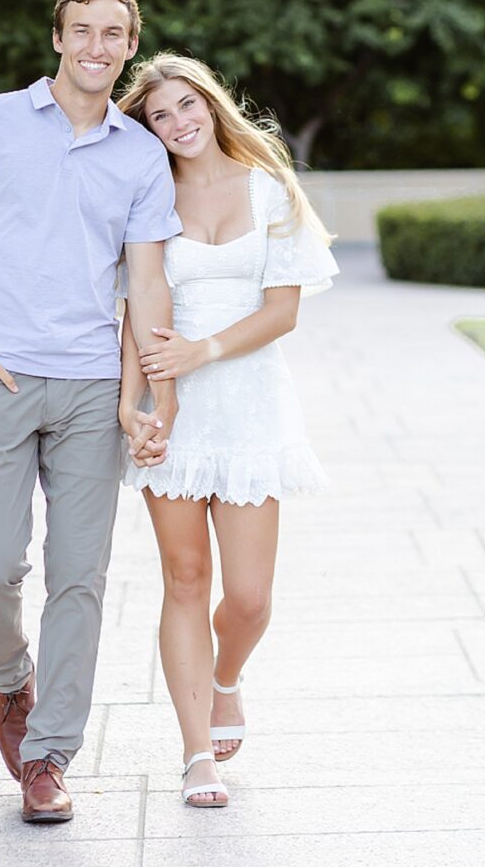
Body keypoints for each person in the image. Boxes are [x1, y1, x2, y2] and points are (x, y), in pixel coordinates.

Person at [0, 0, 182, 826]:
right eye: (82, 31)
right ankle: (10, 683)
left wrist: (151, 395)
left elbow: (146, 282)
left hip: (88, 387)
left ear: (129, 45)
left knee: (81, 576)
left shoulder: (140, 156)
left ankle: (49, 755)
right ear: (57, 40)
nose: (97, 47)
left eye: (113, 34)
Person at [116, 53, 339, 809]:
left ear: (212, 106)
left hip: (248, 405)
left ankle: (226, 680)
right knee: (184, 581)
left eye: (188, 106)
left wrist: (201, 350)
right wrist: (145, 398)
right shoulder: (148, 196)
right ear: (147, 129)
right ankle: (193, 756)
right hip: (170, 409)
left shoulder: (268, 188)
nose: (178, 123)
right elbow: (139, 307)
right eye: (160, 115)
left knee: (246, 598)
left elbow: (283, 311)